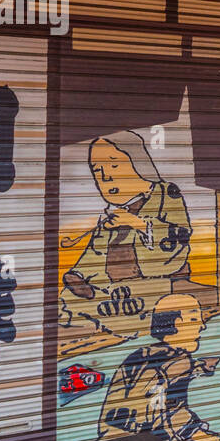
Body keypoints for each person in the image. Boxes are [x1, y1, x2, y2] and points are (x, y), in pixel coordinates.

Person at [59, 131, 193, 341]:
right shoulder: (113, 213)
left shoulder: (166, 194)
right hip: (112, 287)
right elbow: (97, 252)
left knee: (131, 310)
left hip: (152, 282)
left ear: (138, 162)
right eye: (97, 170)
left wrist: (137, 223)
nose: (105, 177)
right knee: (66, 302)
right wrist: (80, 275)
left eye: (113, 164)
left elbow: (180, 235)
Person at [97, 293, 220, 441]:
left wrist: (195, 432)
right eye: (194, 319)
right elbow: (147, 415)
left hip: (149, 436)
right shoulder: (159, 364)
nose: (202, 325)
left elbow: (173, 409)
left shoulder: (172, 358)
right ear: (174, 324)